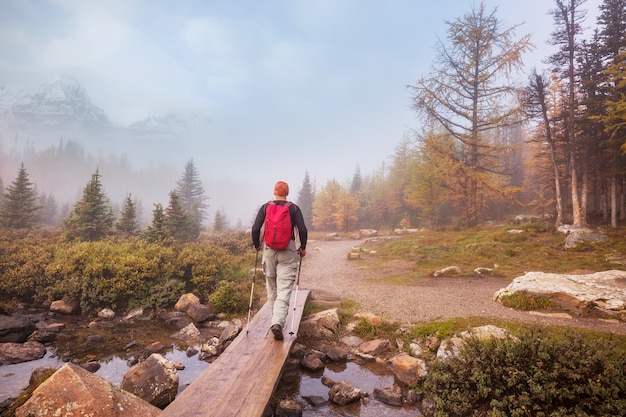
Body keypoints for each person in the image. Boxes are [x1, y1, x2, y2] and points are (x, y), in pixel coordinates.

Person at [251, 181, 307, 340]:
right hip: (288, 251)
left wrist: (256, 245)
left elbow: (255, 228)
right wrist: (302, 248)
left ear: (274, 191)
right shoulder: (293, 208)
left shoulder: (265, 207)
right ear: (287, 193)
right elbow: (302, 230)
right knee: (284, 288)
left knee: (272, 287)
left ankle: (275, 320)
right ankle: (277, 322)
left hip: (269, 250)